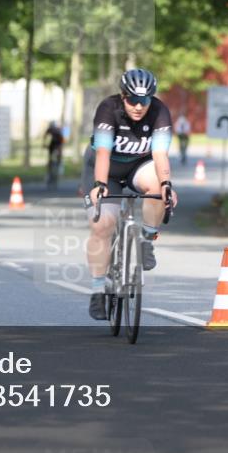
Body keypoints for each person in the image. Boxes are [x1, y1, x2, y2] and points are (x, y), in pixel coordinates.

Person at [82, 68, 178, 320]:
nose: (138, 106)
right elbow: (103, 153)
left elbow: (159, 155)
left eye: (144, 100)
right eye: (132, 100)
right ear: (122, 96)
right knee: (102, 225)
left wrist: (167, 184)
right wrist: (100, 184)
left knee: (158, 188)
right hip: (105, 170)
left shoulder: (159, 112)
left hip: (138, 166)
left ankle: (146, 242)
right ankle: (97, 291)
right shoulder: (108, 109)